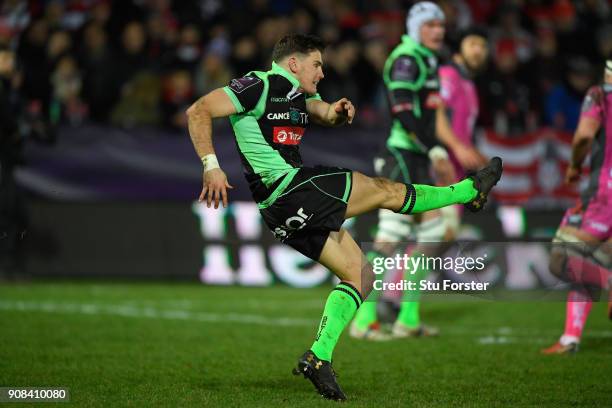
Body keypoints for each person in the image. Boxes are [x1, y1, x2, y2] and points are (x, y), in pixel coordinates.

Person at [186, 33, 502, 401]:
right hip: (288, 188)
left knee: (361, 274)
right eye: (317, 64)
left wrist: (335, 112)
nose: (321, 72)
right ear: (294, 63)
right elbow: (199, 110)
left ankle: (318, 357)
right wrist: (211, 166)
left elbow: (318, 111)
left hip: (279, 208)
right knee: (383, 189)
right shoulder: (258, 84)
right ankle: (467, 192)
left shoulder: (298, 94)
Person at [351, 2, 487, 341]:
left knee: (433, 232)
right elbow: (403, 113)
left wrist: (434, 150)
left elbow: (428, 116)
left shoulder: (427, 59)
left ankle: (408, 319)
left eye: (440, 26)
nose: (438, 31)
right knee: (390, 237)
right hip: (400, 154)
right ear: (414, 27)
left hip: (416, 156)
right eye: (429, 25)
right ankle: (364, 320)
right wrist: (438, 148)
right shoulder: (407, 58)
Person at [542, 59, 612, 355]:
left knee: (562, 257)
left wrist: (573, 165)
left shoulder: (600, 94)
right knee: (590, 262)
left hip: (604, 193)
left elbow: (584, 134)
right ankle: (571, 338)